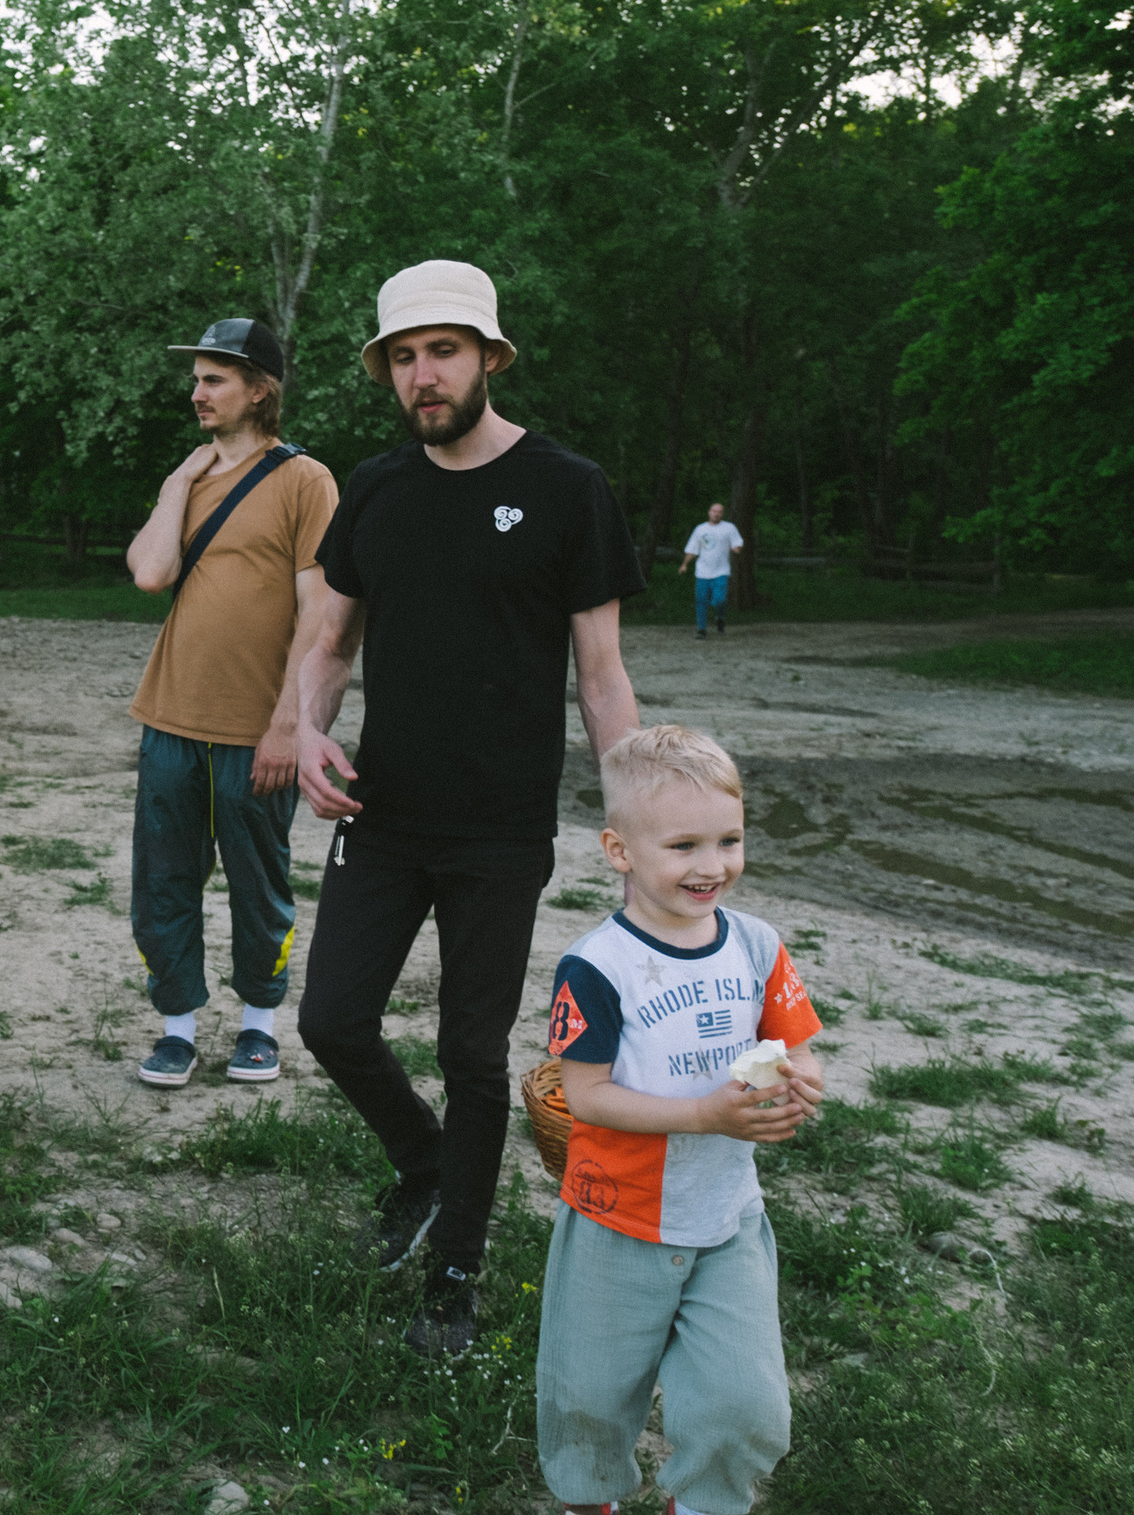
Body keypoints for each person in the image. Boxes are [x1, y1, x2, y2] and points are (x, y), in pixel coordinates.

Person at [293, 258, 645, 1356]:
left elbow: (599, 670)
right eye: (402, 357)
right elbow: (329, 641)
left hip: (498, 828)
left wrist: (636, 807)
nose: (421, 376)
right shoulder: (377, 489)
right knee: (329, 1020)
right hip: (381, 813)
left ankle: (454, 1271)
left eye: (441, 351)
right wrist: (306, 730)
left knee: (470, 1051)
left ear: (489, 357)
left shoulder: (566, 488)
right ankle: (426, 1165)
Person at [537, 723, 824, 1515]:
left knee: (748, 1395)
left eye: (728, 840)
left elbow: (797, 1047)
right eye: (685, 845)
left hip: (726, 1214)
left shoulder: (756, 945)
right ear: (620, 850)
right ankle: (589, 1510)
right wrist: (704, 1113)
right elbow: (585, 1095)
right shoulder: (599, 965)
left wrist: (803, 1084)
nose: (713, 865)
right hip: (619, 1212)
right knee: (591, 1386)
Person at [122, 318, 340, 1089]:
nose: (198, 392)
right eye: (197, 379)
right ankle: (177, 1028)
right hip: (170, 718)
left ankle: (258, 1024)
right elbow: (149, 572)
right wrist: (179, 483)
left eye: (215, 378)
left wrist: (292, 720)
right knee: (164, 883)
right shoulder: (189, 479)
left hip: (258, 729)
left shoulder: (306, 481)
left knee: (259, 884)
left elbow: (319, 610)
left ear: (260, 388)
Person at [678, 502, 744, 637]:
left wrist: (737, 549)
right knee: (701, 600)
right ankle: (701, 629)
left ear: (722, 514)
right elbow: (692, 549)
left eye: (719, 511)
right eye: (714, 511)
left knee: (719, 599)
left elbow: (738, 543)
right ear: (709, 512)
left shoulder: (729, 528)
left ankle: (720, 617)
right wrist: (684, 564)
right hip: (702, 572)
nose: (716, 514)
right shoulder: (700, 529)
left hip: (721, 571)